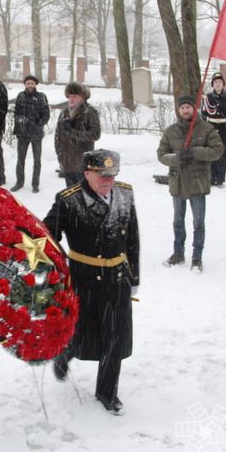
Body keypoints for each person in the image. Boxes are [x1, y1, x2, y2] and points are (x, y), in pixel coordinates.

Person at [43, 149, 139, 415]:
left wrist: (135, 277)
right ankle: (65, 354)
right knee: (81, 331)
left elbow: (132, 237)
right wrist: (60, 268)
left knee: (115, 337)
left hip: (117, 278)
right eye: (101, 175)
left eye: (112, 175)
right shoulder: (69, 200)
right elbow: (45, 237)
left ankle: (107, 392)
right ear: (87, 173)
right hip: (84, 279)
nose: (108, 180)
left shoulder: (125, 194)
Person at [156, 95, 224, 271]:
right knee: (178, 221)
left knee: (198, 222)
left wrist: (195, 152)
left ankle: (196, 258)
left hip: (197, 183)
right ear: (178, 110)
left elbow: (217, 151)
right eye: (182, 107)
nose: (185, 110)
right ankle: (178, 253)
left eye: (188, 107)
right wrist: (177, 157)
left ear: (194, 109)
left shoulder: (206, 129)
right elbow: (161, 154)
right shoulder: (171, 131)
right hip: (177, 182)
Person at [54, 82, 100, 187]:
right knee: (71, 196)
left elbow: (95, 134)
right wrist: (60, 154)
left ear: (83, 97)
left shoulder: (90, 112)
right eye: (69, 96)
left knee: (84, 196)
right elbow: (57, 136)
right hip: (67, 163)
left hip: (83, 165)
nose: (71, 99)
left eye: (74, 96)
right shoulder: (64, 112)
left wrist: (72, 132)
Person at [10, 74, 50, 193]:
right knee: (20, 159)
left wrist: (38, 125)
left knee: (37, 160)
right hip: (23, 134)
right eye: (28, 83)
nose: (30, 85)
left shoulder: (42, 97)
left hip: (36, 134)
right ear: (25, 85)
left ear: (35, 84)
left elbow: (46, 114)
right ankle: (19, 182)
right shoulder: (20, 96)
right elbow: (16, 113)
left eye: (32, 83)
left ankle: (35, 184)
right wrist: (19, 124)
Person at [201, 72, 226, 187]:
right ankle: (211, 178)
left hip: (224, 129)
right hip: (211, 129)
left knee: (222, 154)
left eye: (220, 82)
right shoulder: (207, 98)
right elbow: (204, 115)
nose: (218, 84)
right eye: (215, 82)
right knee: (211, 153)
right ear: (212, 84)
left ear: (223, 84)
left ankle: (220, 179)